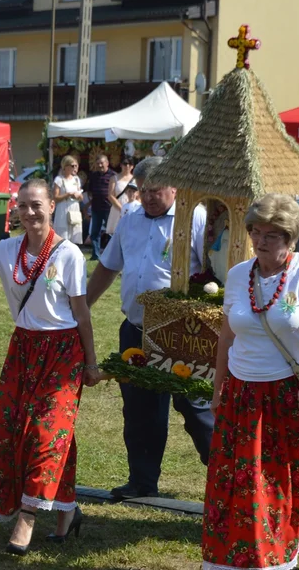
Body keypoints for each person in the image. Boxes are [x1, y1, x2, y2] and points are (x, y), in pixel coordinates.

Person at [186, 194, 299, 570]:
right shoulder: (238, 274)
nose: (261, 240)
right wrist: (218, 386)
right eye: (256, 231)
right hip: (241, 392)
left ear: (290, 237)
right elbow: (226, 335)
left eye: (273, 234)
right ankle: (222, 568)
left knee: (298, 474)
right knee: (233, 482)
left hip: (292, 394)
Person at [0, 179, 100, 554]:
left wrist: (92, 363)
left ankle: (28, 517)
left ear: (52, 206)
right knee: (23, 431)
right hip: (23, 349)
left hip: (64, 351)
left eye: (36, 205)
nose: (30, 212)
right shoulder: (6, 251)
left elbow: (82, 314)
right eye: (23, 206)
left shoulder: (68, 255)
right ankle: (67, 512)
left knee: (46, 430)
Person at [87, 156, 210, 501]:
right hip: (137, 330)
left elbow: (215, 275)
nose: (150, 197)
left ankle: (227, 480)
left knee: (197, 409)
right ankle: (142, 482)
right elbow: (108, 267)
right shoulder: (130, 218)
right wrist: (80, 307)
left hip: (184, 334)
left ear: (174, 187)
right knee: (139, 411)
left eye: (156, 190)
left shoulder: (194, 218)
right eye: (144, 190)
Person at [85, 153, 118, 260]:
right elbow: (89, 191)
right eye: (98, 163)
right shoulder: (93, 175)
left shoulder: (113, 175)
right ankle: (96, 255)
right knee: (95, 233)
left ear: (107, 163)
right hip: (96, 208)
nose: (100, 165)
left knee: (111, 232)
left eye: (102, 163)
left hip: (109, 208)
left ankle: (112, 254)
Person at [52, 155, 84, 244]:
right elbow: (55, 197)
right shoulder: (59, 180)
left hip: (74, 208)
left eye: (76, 166)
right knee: (63, 233)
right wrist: (67, 195)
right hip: (63, 209)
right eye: (72, 166)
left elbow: (81, 198)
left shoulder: (76, 179)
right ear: (65, 166)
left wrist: (78, 196)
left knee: (74, 232)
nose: (74, 168)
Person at [106, 155, 135, 237]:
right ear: (121, 165)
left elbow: (139, 196)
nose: (127, 166)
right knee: (116, 234)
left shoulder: (135, 179)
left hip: (131, 209)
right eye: (125, 164)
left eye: (130, 164)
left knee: (130, 233)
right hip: (117, 208)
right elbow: (111, 195)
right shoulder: (114, 178)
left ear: (132, 166)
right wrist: (122, 209)